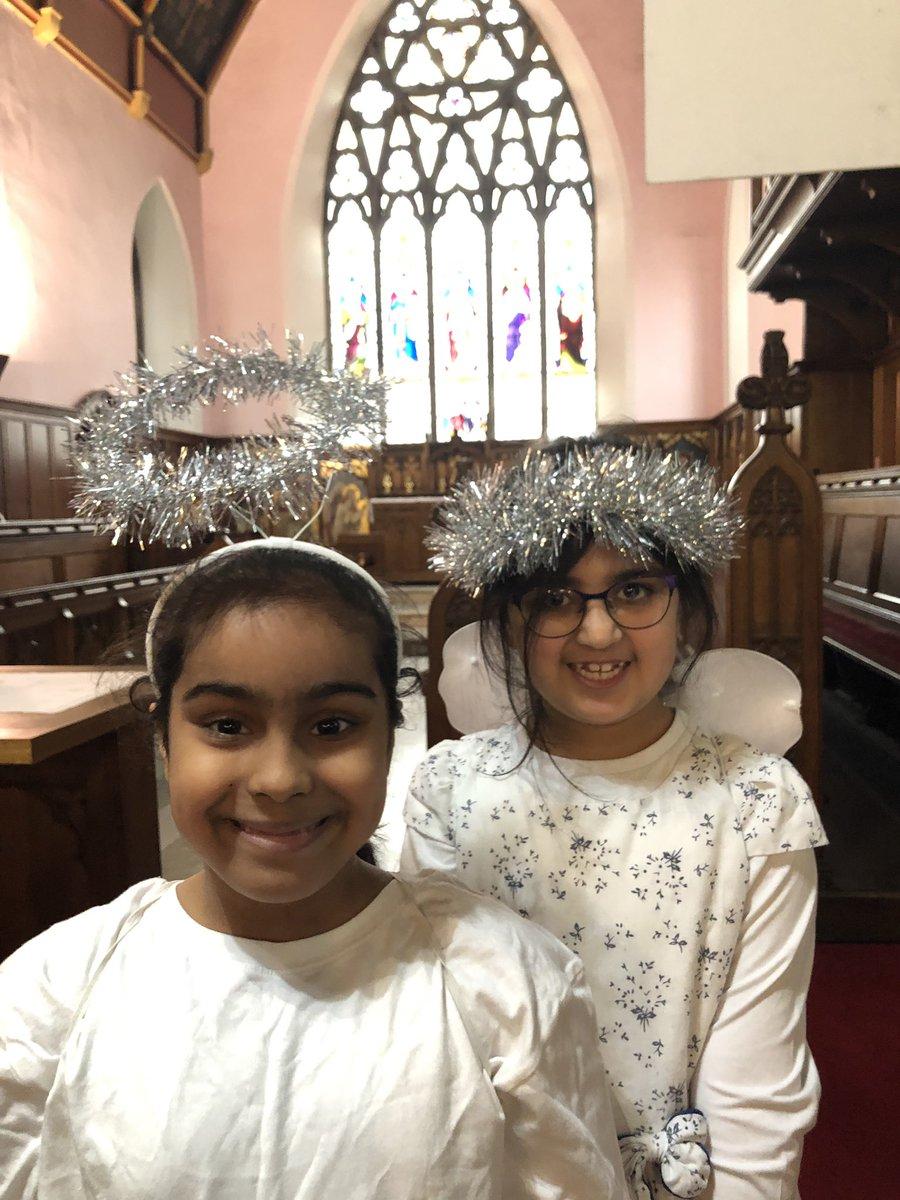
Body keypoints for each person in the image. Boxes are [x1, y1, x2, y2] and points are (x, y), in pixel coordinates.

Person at [0, 539, 628, 1200]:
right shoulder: (54, 993)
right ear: (163, 737)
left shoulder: (508, 987)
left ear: (389, 732)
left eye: (331, 726)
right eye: (226, 725)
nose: (280, 779)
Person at [401, 440, 827, 1200]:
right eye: (555, 598)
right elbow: (444, 1049)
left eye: (633, 590)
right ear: (508, 621)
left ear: (685, 607)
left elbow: (757, 1093)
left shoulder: (759, 803)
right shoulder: (453, 792)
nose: (598, 633)